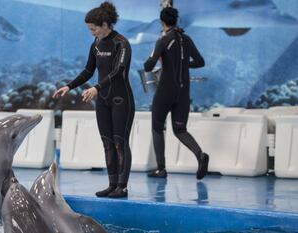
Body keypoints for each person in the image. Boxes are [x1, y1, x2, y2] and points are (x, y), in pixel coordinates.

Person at [53, 1, 135, 198]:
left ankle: (122, 187)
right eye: (89, 29)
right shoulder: (96, 44)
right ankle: (112, 184)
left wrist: (97, 88)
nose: (91, 32)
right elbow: (89, 70)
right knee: (107, 143)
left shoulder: (121, 43)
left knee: (119, 143)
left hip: (121, 100)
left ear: (105, 24)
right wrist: (69, 86)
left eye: (93, 28)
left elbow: (119, 71)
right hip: (103, 101)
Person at [144, 7, 209, 179]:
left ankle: (161, 169)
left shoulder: (162, 40)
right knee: (180, 130)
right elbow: (200, 62)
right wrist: (183, 65)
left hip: (165, 90)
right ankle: (200, 155)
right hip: (183, 93)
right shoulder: (186, 39)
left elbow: (148, 66)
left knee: (157, 128)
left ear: (161, 22)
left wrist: (155, 57)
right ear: (176, 20)